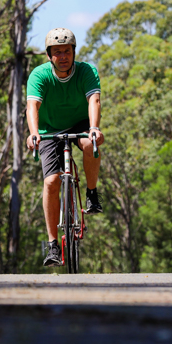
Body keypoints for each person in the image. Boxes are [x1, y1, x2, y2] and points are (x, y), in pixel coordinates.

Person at [26, 27, 105, 267]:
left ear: (74, 52)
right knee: (51, 181)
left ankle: (92, 193)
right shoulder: (39, 75)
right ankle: (53, 245)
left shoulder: (86, 71)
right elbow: (32, 106)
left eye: (67, 51)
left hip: (81, 123)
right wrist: (33, 133)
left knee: (91, 144)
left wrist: (94, 128)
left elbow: (94, 100)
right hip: (49, 129)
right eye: (57, 52)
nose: (63, 57)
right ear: (49, 55)